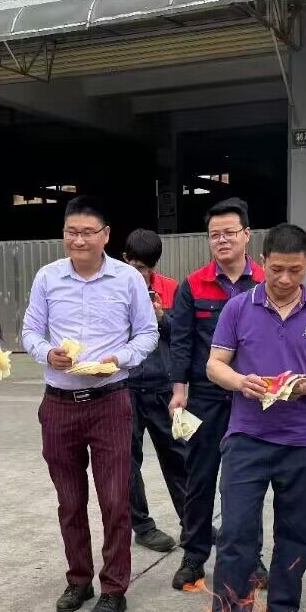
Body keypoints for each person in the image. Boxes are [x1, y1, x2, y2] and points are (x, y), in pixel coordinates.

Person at [22, 195, 158, 612]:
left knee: (115, 500)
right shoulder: (47, 277)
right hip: (59, 404)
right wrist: (48, 353)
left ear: (106, 236)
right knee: (70, 500)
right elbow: (30, 331)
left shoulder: (127, 279)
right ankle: (78, 579)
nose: (78, 240)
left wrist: (121, 359)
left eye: (87, 232)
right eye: (71, 232)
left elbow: (148, 333)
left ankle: (114, 588)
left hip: (110, 401)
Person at [205, 223, 306, 612]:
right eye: (277, 269)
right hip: (247, 436)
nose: (284, 279)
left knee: (296, 532)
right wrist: (240, 381)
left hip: (301, 439)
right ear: (262, 261)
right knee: (237, 532)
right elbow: (215, 364)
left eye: (295, 270)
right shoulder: (238, 308)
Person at [168, 197, 265, 592]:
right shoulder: (193, 285)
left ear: (247, 235)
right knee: (200, 478)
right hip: (206, 398)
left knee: (249, 482)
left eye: (229, 233)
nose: (222, 240)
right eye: (214, 235)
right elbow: (181, 340)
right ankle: (194, 556)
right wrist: (179, 391)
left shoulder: (265, 282)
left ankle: (252, 558)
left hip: (252, 396)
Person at [122, 227, 188, 554]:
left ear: (155, 266)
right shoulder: (112, 290)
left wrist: (162, 317)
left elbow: (183, 336)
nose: (140, 274)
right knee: (127, 461)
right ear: (125, 259)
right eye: (135, 266)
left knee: (180, 456)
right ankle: (143, 527)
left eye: (146, 268)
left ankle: (193, 522)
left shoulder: (172, 289)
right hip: (125, 388)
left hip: (164, 388)